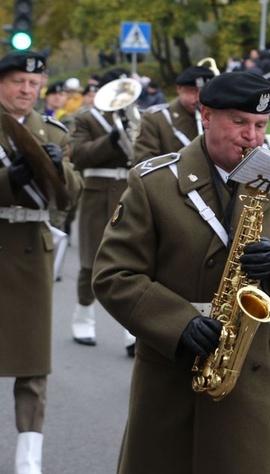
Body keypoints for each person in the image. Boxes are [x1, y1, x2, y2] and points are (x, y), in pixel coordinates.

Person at [92, 71, 270, 474]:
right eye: (239, 122)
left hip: (249, 371)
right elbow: (113, 274)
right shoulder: (154, 182)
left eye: (261, 125)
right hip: (171, 370)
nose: (252, 137)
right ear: (206, 115)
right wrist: (178, 323)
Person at [0, 50, 83, 474]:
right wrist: (5, 181)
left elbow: (74, 193)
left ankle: (28, 457)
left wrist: (59, 169)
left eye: (34, 84)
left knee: (31, 363)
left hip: (31, 248)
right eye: (18, 82)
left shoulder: (51, 131)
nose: (27, 91)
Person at [69, 67, 137, 355]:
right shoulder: (85, 118)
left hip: (131, 194)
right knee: (91, 261)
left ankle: (133, 329)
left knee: (135, 263)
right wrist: (111, 139)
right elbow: (79, 156)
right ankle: (83, 315)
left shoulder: (139, 118)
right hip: (97, 195)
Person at [134, 65, 215, 163]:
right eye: (192, 91)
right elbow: (144, 162)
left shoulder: (216, 117)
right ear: (179, 89)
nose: (198, 98)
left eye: (204, 92)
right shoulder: (156, 118)